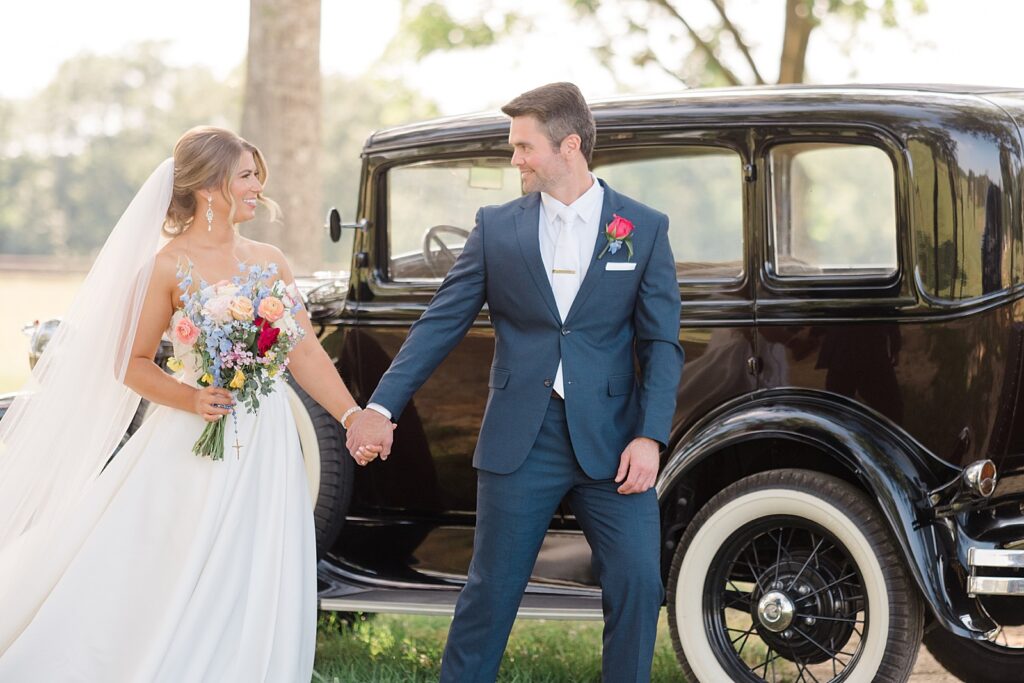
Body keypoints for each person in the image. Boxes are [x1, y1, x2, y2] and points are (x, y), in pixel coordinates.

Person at [0, 126, 373, 680]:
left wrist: (351, 415)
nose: (258, 189)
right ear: (209, 187)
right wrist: (193, 397)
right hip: (193, 437)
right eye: (246, 176)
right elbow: (132, 363)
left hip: (266, 437)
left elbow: (305, 354)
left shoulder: (270, 260)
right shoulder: (165, 267)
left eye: (256, 177)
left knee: (254, 554)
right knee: (173, 555)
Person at [347, 82, 684, 682]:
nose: (515, 160)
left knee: (637, 583)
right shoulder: (496, 228)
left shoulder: (643, 227)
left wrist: (650, 436)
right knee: (491, 592)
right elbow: (439, 323)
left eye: (525, 147)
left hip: (615, 441)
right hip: (520, 441)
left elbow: (661, 345)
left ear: (570, 145)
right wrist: (381, 408)